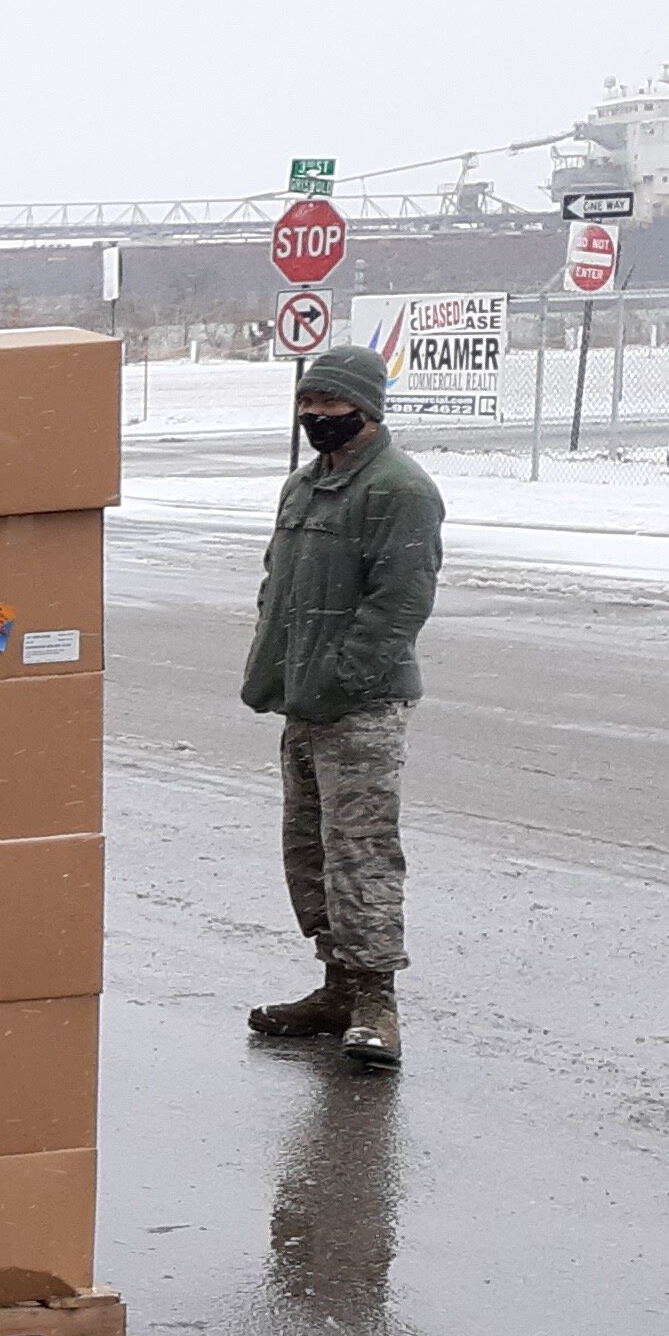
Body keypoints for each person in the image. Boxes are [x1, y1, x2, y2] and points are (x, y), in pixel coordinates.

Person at [241, 343, 443, 1071]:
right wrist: (280, 677)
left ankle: (375, 1002)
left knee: (359, 851)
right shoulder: (302, 487)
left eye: (331, 406)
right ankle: (335, 985)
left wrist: (345, 675)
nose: (317, 417)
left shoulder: (400, 489)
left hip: (361, 705)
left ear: (367, 408)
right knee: (310, 849)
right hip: (303, 700)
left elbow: (402, 604)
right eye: (307, 405)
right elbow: (278, 587)